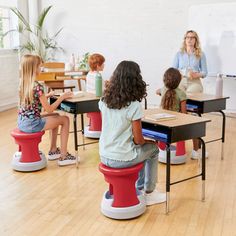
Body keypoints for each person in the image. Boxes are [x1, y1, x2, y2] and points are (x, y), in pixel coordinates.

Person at [99, 60, 166, 206]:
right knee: (153, 149)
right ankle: (149, 192)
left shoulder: (103, 101)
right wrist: (150, 141)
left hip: (105, 154)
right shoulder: (134, 105)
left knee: (139, 151)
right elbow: (138, 140)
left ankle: (139, 187)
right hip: (121, 158)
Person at [17, 54, 76, 166]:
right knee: (65, 119)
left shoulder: (23, 84)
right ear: (33, 68)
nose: (41, 69)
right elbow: (48, 109)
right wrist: (61, 97)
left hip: (22, 122)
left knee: (57, 116)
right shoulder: (37, 86)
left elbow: (32, 102)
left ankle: (53, 150)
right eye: (39, 66)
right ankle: (64, 156)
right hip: (33, 124)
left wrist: (46, 96)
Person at [158, 68, 187, 163]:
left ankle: (161, 150)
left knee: (163, 133)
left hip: (163, 123)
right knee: (182, 133)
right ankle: (180, 153)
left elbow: (157, 91)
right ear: (179, 80)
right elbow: (183, 113)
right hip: (175, 124)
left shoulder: (163, 89)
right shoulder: (181, 93)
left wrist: (160, 92)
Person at [85, 53, 105, 138]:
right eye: (103, 63)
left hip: (90, 99)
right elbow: (101, 91)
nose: (104, 65)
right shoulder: (98, 75)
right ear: (98, 65)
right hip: (98, 100)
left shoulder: (89, 74)